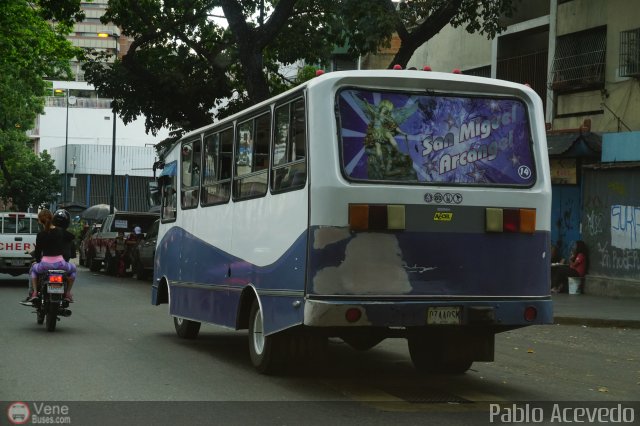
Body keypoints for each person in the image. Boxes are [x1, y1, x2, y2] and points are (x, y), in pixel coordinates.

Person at [27, 209, 77, 303]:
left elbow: (38, 252)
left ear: (39, 221)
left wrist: (38, 261)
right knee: (73, 269)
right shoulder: (60, 232)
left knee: (33, 269)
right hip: (61, 264)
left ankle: (34, 292)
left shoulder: (41, 235)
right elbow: (72, 237)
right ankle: (68, 294)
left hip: (44, 265)